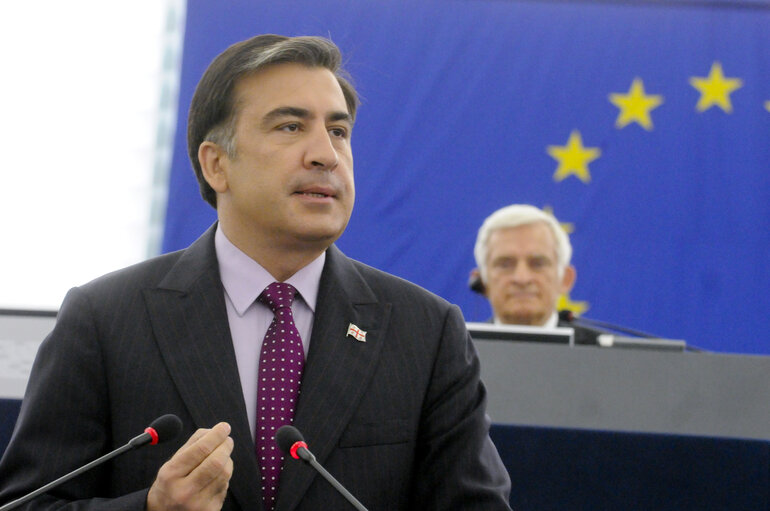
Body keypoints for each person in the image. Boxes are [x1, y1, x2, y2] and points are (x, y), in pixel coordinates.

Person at [0, 35, 511, 510]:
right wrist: (150, 508)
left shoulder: (425, 330)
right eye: (290, 127)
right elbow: (29, 503)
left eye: (338, 131)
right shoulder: (105, 320)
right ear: (216, 164)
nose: (326, 155)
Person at [469, 204, 600, 345]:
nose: (522, 278)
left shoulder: (611, 357)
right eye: (505, 265)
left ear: (565, 279)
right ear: (481, 281)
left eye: (538, 264)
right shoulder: (453, 355)